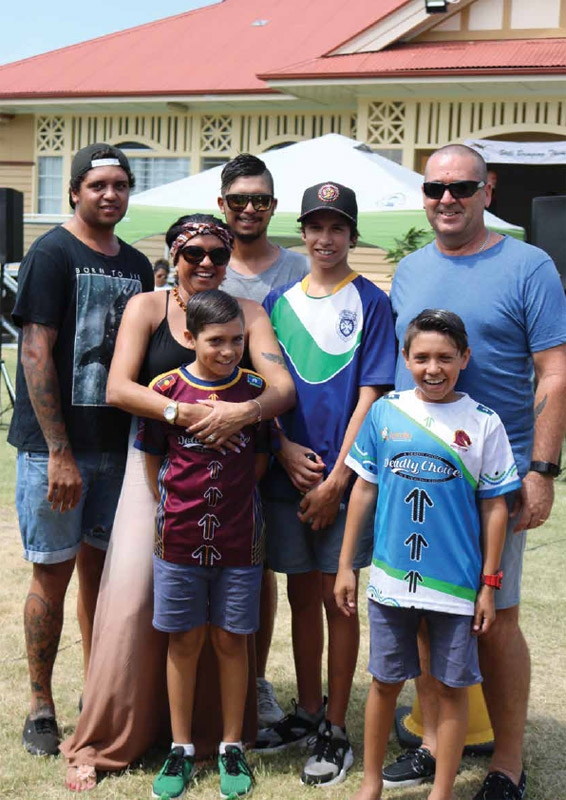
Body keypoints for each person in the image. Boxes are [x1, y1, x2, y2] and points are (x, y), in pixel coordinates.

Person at [61, 213, 295, 791]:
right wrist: (181, 413)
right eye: (195, 254)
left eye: (220, 252)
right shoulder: (146, 308)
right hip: (159, 471)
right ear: (174, 255)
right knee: (141, 601)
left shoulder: (249, 314)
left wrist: (242, 413)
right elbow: (117, 388)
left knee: (232, 612)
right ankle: (123, 732)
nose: (209, 264)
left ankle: (226, 737)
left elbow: (281, 388)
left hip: (233, 477)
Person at [387, 144, 566, 800]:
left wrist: (541, 469)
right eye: (434, 190)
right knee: (426, 615)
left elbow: (554, 370)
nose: (446, 200)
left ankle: (508, 762)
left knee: (498, 619)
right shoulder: (407, 271)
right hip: (419, 477)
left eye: (461, 187)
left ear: (487, 190)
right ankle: (435, 741)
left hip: (496, 480)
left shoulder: (529, 266)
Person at [335, 308, 521, 800]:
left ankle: (441, 792)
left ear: (465, 358)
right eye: (421, 357)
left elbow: (495, 508)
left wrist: (489, 583)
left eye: (444, 357)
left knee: (450, 688)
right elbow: (363, 491)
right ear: (405, 358)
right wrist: (346, 565)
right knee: (384, 684)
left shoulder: (484, 424)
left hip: (456, 587)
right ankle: (370, 785)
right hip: (392, 584)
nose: (432, 368)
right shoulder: (385, 412)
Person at [7, 143, 154, 758]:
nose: (110, 195)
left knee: (107, 577)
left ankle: (99, 694)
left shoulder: (140, 265)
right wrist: (59, 450)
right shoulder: (50, 253)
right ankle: (40, 703)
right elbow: (35, 350)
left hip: (118, 449)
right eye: (98, 185)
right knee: (53, 571)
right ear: (74, 192)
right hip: (55, 452)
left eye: (121, 185)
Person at [255, 182, 396, 787]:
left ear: (352, 235)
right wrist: (284, 452)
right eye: (316, 226)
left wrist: (339, 476)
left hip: (345, 478)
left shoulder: (372, 301)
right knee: (299, 594)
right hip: (287, 477)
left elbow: (372, 392)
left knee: (339, 597)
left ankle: (335, 726)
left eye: (337, 227)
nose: (326, 238)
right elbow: (265, 390)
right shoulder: (274, 302)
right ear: (302, 233)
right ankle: (307, 710)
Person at [137, 290, 267, 799]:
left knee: (233, 640)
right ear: (190, 337)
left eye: (237, 340)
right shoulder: (165, 390)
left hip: (239, 538)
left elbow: (260, 459)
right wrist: (173, 506)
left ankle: (232, 744)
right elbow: (152, 459)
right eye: (216, 341)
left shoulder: (254, 390)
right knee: (184, 640)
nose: (229, 351)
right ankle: (181, 746)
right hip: (178, 537)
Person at [218, 152, 309, 727]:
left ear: (274, 207)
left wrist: (280, 442)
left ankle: (255, 681)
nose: (249, 209)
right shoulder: (205, 265)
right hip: (215, 446)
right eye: (238, 200)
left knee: (265, 566)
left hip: (287, 439)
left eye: (261, 200)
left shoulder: (300, 269)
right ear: (221, 205)